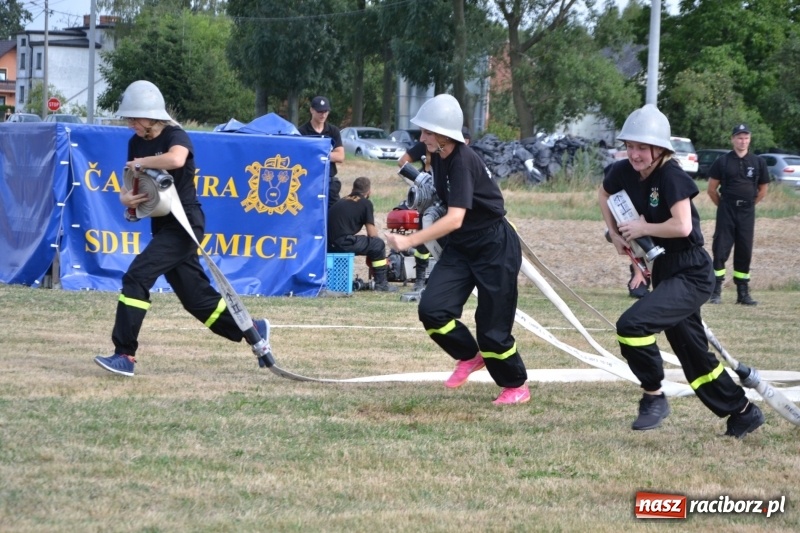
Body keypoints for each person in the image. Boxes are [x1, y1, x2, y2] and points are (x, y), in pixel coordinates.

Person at [599, 104, 764, 438]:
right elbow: (603, 194)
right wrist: (616, 234)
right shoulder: (622, 172)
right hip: (664, 269)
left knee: (631, 326)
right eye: (630, 146)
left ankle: (653, 396)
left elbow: (682, 225)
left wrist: (643, 225)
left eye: (642, 147)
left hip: (691, 271)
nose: (634, 154)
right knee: (692, 354)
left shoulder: (672, 176)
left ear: (659, 149)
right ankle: (743, 411)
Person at [94, 80, 269, 377]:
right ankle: (252, 329)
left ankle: (125, 354)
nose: (131, 124)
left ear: (152, 115)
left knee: (136, 277)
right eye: (129, 119)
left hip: (185, 225)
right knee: (197, 300)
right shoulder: (136, 142)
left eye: (135, 118)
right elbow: (132, 184)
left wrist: (140, 163)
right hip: (162, 226)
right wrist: (127, 199)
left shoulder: (176, 136)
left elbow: (176, 159)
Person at [385, 94, 530, 405]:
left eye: (426, 133)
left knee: (492, 330)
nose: (421, 138)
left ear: (443, 135)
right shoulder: (437, 155)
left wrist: (410, 241)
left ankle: (515, 385)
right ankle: (469, 356)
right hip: (462, 247)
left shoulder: (463, 160)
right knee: (432, 310)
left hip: (494, 247)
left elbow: (455, 217)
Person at [706, 124, 769, 306]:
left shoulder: (758, 162)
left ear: (749, 139)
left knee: (744, 250)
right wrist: (724, 206)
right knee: (720, 249)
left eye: (746, 137)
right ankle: (715, 291)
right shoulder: (723, 161)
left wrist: (748, 204)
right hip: (726, 209)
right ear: (733, 139)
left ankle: (743, 293)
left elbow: (763, 189)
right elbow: (711, 189)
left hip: (747, 212)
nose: (743, 141)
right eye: (739, 137)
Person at [328, 177, 397, 292]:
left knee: (372, 244)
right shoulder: (366, 203)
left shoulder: (342, 200)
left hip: (329, 245)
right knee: (377, 244)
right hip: (342, 243)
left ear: (353, 188)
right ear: (369, 191)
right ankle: (382, 285)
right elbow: (372, 233)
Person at [298, 96, 345, 209]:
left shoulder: (333, 131)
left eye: (325, 111)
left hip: (329, 181)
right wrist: (328, 154)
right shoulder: (302, 132)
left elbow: (340, 156)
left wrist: (317, 155)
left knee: (334, 213)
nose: (323, 115)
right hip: (308, 181)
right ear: (312, 110)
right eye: (319, 111)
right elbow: (300, 157)